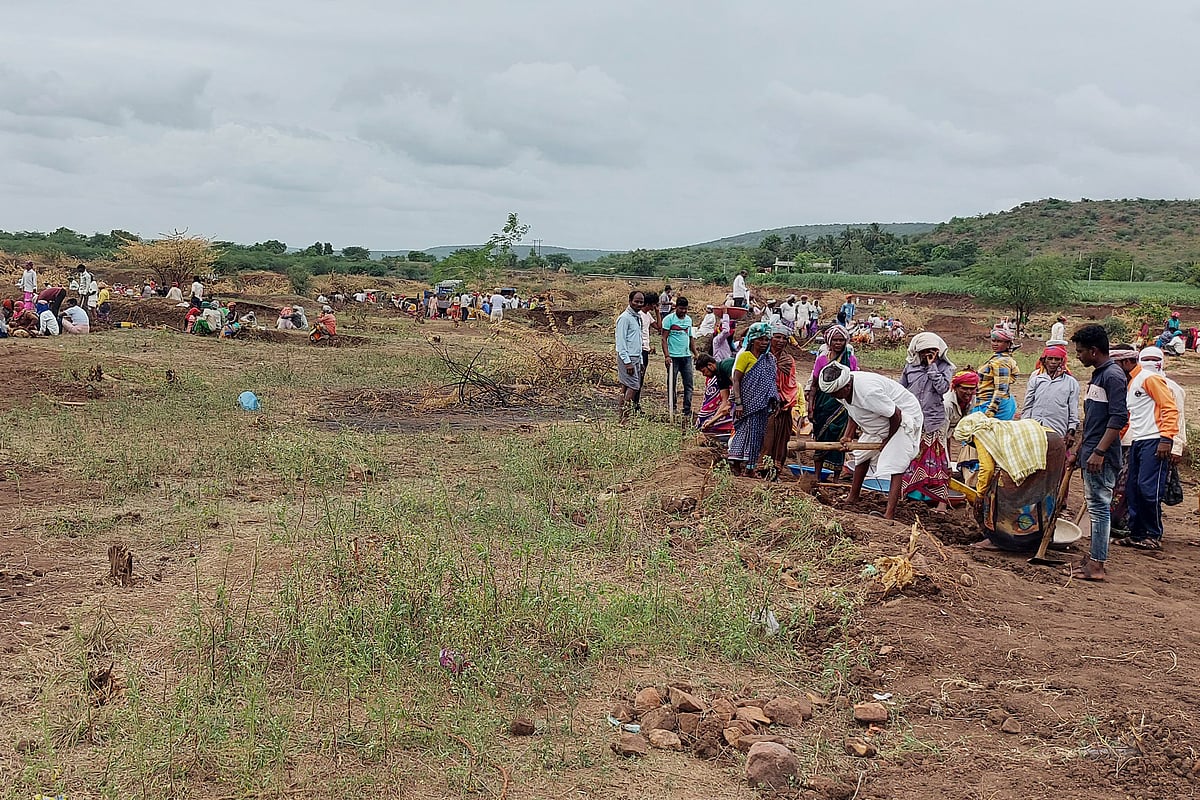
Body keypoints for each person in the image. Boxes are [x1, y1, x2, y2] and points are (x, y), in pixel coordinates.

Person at [818, 362, 923, 520]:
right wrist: (848, 435)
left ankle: (889, 514)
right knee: (862, 455)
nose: (833, 397)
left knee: (896, 464)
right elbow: (853, 410)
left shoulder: (868, 393)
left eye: (835, 393)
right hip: (882, 416)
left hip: (904, 417)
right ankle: (853, 497)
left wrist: (888, 439)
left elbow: (896, 415)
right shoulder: (841, 390)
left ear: (846, 386)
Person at [1069, 325, 1129, 582]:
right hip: (1091, 451)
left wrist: (1099, 452)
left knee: (1099, 508)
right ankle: (1093, 558)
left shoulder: (1112, 376)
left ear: (1094, 351)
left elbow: (1118, 418)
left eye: (1081, 351)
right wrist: (1080, 450)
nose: (1078, 356)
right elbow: (1093, 419)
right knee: (1096, 505)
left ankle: (1096, 565)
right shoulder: (1099, 375)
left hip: (1100, 457)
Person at [1111, 345, 1179, 551]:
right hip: (1138, 441)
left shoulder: (1149, 378)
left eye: (1115, 364)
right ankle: (1136, 533)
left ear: (1125, 362)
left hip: (1155, 440)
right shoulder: (1131, 384)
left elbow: (1169, 407)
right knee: (1133, 488)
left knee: (1149, 489)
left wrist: (1166, 438)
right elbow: (1129, 419)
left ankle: (1152, 534)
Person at [899, 332, 955, 510]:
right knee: (910, 459)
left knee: (935, 463)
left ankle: (940, 503)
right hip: (913, 421)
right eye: (925, 351)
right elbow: (901, 390)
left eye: (933, 351)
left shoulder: (945, 368)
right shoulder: (910, 368)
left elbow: (943, 389)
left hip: (933, 422)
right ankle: (910, 496)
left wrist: (932, 368)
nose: (929, 355)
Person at [807, 324, 859, 480]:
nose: (838, 343)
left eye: (841, 340)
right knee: (821, 437)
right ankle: (817, 474)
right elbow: (814, 385)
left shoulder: (851, 359)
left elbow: (855, 383)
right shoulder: (822, 360)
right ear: (829, 342)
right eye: (835, 340)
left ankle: (836, 476)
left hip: (842, 406)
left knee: (840, 440)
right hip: (823, 405)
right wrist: (810, 407)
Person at [728, 322, 778, 476]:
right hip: (745, 403)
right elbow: (736, 380)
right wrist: (739, 403)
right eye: (760, 339)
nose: (764, 343)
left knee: (757, 436)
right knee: (743, 432)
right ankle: (735, 462)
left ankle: (750, 468)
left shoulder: (769, 359)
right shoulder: (744, 356)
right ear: (752, 340)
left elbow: (771, 382)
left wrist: (775, 399)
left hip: (762, 404)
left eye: (766, 340)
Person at [762, 325, 802, 475]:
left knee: (781, 439)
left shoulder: (788, 360)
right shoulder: (762, 357)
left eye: (784, 338)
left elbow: (792, 383)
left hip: (784, 404)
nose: (780, 341)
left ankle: (775, 470)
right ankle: (761, 467)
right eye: (777, 337)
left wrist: (784, 399)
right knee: (766, 437)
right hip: (764, 404)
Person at [1022, 345, 1080, 445]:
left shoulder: (1071, 383)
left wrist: (1071, 430)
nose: (1053, 362)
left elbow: (1073, 410)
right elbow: (1028, 406)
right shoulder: (1036, 380)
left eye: (1057, 359)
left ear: (1062, 361)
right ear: (1044, 361)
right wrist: (1025, 426)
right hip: (1035, 428)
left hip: (1057, 429)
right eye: (1050, 359)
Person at [661, 296, 697, 418]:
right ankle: (673, 408)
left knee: (689, 384)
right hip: (673, 357)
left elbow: (690, 337)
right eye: (681, 308)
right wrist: (667, 355)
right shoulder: (668, 319)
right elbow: (664, 338)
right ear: (676, 307)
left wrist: (695, 353)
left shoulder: (688, 320)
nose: (683, 311)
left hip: (686, 356)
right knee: (672, 383)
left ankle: (687, 410)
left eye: (685, 309)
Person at [974, 329, 1019, 419]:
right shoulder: (999, 358)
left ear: (1008, 344)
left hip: (993, 405)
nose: (995, 344)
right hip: (992, 402)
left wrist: (991, 411)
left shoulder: (1001, 362)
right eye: (993, 341)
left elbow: (1001, 389)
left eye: (999, 341)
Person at [615, 291, 645, 424]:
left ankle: (622, 417)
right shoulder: (624, 318)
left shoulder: (637, 318)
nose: (639, 304)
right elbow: (621, 342)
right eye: (636, 301)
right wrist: (627, 362)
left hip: (636, 357)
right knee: (633, 386)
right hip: (627, 358)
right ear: (630, 301)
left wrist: (641, 361)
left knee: (625, 387)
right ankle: (625, 418)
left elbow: (638, 341)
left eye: (641, 302)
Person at [941, 370, 979, 459]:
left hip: (953, 425)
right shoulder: (947, 404)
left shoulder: (972, 398)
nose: (969, 392)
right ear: (955, 388)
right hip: (938, 426)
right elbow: (943, 435)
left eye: (972, 388)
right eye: (964, 388)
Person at [695, 353, 735, 437]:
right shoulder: (720, 377)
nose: (704, 374)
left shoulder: (726, 365)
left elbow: (737, 386)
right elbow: (724, 400)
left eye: (704, 371)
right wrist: (712, 420)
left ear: (710, 365)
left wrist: (729, 403)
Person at [632, 292, 659, 413]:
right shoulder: (640, 315)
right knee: (637, 378)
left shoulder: (647, 315)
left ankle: (635, 404)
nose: (655, 307)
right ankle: (634, 405)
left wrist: (658, 312)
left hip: (646, 349)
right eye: (655, 305)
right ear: (650, 304)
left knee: (640, 379)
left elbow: (659, 326)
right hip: (641, 349)